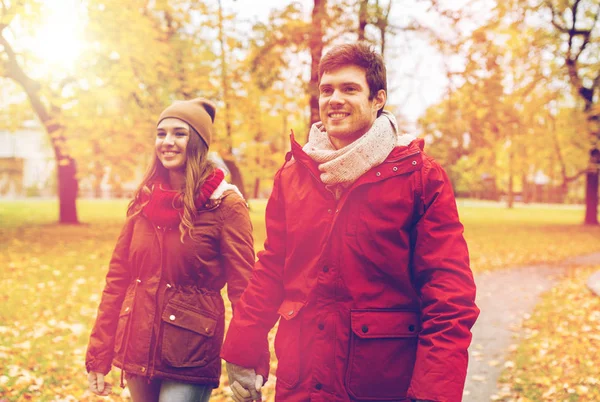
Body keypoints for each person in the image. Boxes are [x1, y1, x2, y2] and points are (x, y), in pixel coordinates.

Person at [220, 43, 480, 402]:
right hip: (302, 382)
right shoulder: (294, 174)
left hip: (379, 382)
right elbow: (273, 267)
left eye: (349, 89)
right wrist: (243, 349)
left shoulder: (419, 177)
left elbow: (448, 293)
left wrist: (433, 391)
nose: (334, 99)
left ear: (378, 99)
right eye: (327, 90)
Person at [85, 98, 255, 402]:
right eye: (161, 133)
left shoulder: (225, 204)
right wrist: (99, 354)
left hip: (190, 354)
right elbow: (117, 281)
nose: (167, 142)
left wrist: (247, 359)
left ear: (198, 142)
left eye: (179, 133)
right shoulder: (143, 202)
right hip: (137, 345)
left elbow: (244, 289)